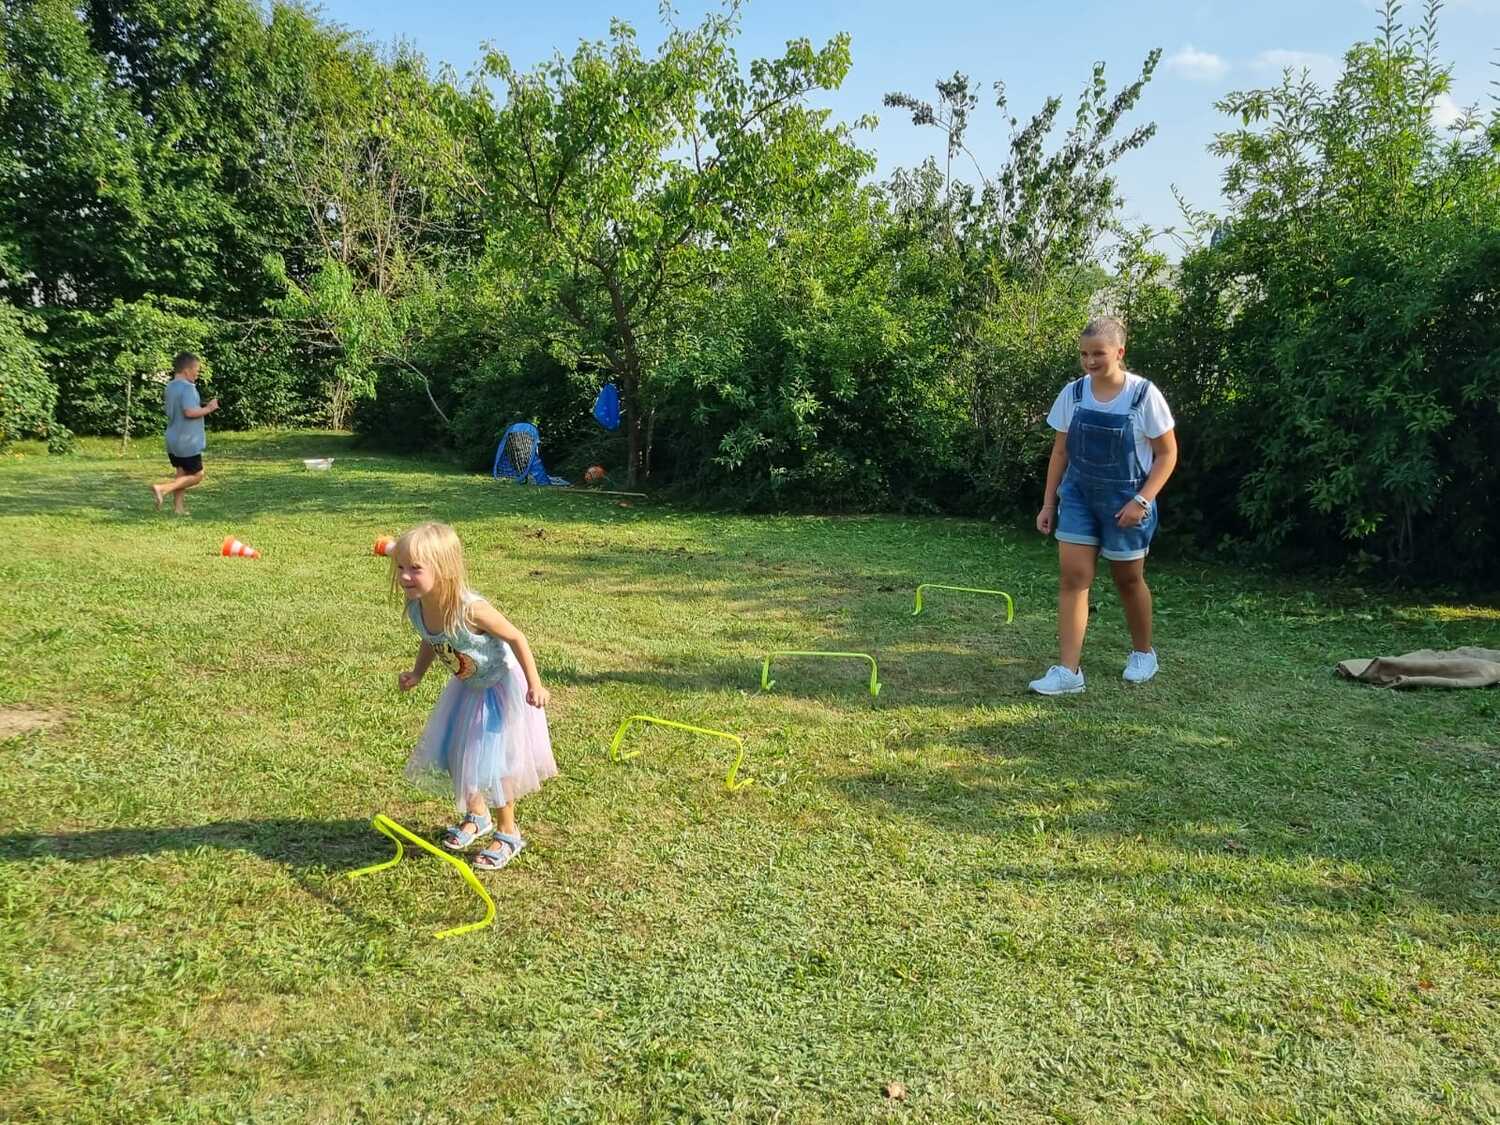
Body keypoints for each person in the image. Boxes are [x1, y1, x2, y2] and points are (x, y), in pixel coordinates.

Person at [393, 522, 557, 870]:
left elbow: (516, 637)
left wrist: (535, 684)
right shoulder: (419, 605)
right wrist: (418, 673)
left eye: (415, 568)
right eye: (401, 566)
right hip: (467, 687)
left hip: (499, 687)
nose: (405, 576)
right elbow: (432, 639)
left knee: (494, 765)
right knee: (459, 754)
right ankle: (478, 814)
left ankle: (508, 832)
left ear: (444, 569)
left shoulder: (471, 609)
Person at [1029, 317, 1178, 695]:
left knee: (1128, 580)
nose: (1090, 361)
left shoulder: (1143, 396)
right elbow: (1060, 452)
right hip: (1078, 497)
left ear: (1119, 352)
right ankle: (1069, 672)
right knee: (1073, 578)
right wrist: (1048, 503)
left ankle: (1143, 653)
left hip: (1126, 502)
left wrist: (1141, 501)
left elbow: (1167, 455)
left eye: (1098, 353)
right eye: (1084, 354)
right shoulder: (1074, 394)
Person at [151, 352, 218, 515]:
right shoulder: (188, 388)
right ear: (187, 370)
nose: (197, 373)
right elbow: (189, 412)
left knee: (181, 473)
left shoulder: (170, 387)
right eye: (197, 370)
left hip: (173, 439)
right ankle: (162, 488)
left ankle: (178, 508)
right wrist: (209, 408)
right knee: (198, 475)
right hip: (187, 440)